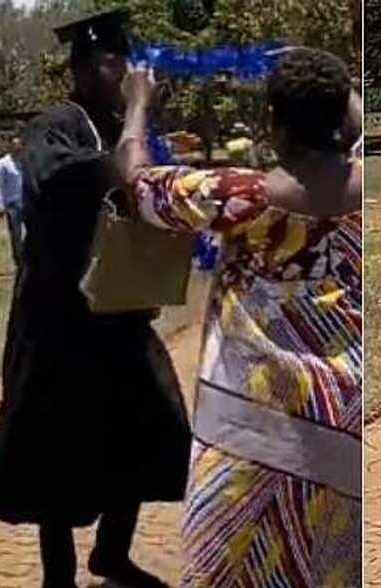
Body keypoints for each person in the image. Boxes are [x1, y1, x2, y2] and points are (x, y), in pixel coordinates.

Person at [116, 48, 363, 586]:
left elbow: (137, 183)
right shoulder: (368, 190)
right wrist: (335, 87)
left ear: (272, 123)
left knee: (227, 568)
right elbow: (357, 127)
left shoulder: (241, 197)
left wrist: (137, 105)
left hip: (250, 431)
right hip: (342, 421)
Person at [0, 11, 191, 588]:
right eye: (116, 64)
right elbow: (120, 168)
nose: (127, 74)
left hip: (118, 315)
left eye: (127, 63)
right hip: (58, 321)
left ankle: (112, 554)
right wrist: (142, 109)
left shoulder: (114, 122)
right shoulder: (55, 127)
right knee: (57, 448)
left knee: (152, 424)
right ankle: (59, 576)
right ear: (88, 68)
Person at [0, 136, 25, 266]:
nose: (18, 148)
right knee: (16, 234)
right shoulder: (3, 163)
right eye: (15, 146)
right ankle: (18, 260)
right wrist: (0, 204)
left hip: (27, 202)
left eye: (20, 146)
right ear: (10, 147)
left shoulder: (24, 162)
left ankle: (28, 258)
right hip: (12, 205)